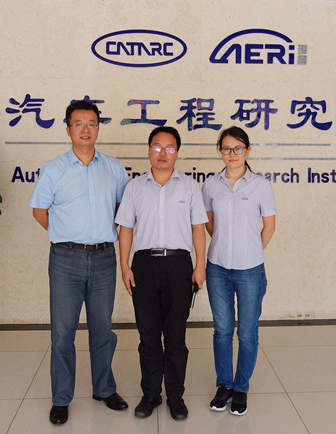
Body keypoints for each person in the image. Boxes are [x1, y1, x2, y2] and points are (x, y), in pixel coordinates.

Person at [28, 100, 130, 425]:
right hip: (65, 259)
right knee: (62, 333)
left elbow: (123, 209)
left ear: (98, 127)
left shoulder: (113, 168)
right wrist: (65, 234)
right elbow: (39, 211)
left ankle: (104, 389)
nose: (85, 129)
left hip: (104, 257)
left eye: (91, 124)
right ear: (68, 129)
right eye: (78, 124)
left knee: (102, 330)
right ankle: (61, 399)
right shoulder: (53, 169)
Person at [115, 126, 208, 421]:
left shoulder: (190, 187)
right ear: (149, 151)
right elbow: (125, 228)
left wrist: (200, 266)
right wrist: (125, 266)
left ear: (177, 152)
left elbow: (198, 229)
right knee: (148, 336)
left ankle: (176, 397)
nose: (163, 153)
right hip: (144, 265)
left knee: (176, 337)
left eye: (169, 147)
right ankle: (151, 394)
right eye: (157, 146)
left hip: (179, 266)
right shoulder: (134, 188)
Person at [202, 126, 276, 416]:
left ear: (247, 150)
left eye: (238, 148)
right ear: (220, 151)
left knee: (247, 332)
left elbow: (269, 226)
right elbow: (209, 223)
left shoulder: (260, 185)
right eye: (226, 148)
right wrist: (225, 245)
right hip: (217, 268)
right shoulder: (211, 184)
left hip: (250, 271)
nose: (232, 154)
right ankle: (224, 385)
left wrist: (250, 250)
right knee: (222, 331)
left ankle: (241, 387)